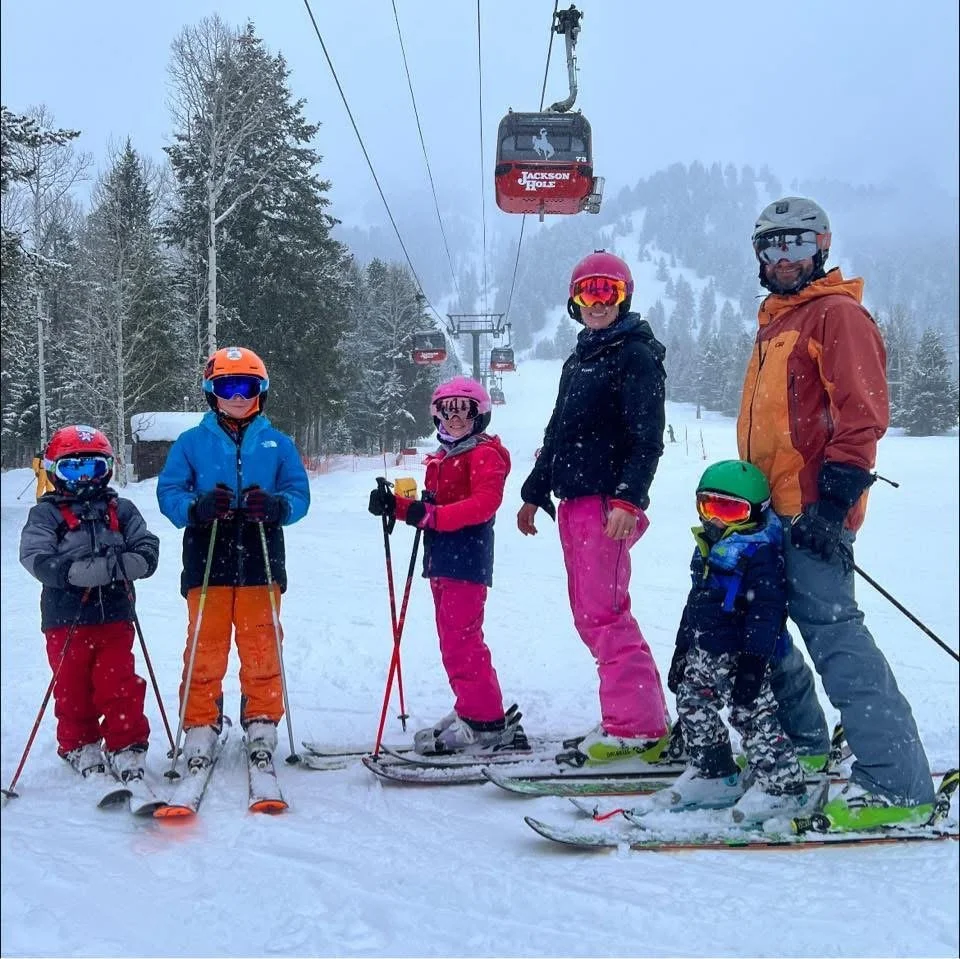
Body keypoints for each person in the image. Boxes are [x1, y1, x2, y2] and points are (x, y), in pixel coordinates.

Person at [738, 196, 935, 828]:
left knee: (835, 637)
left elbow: (862, 415)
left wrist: (833, 506)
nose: (783, 257)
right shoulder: (775, 322)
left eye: (796, 244)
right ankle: (804, 747)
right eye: (772, 246)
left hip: (812, 513)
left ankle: (897, 782)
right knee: (765, 633)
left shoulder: (836, 316)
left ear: (821, 246)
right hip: (769, 514)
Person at [517, 250, 673, 766]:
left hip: (608, 503)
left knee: (605, 615)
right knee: (592, 614)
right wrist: (534, 492)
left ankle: (639, 729)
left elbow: (646, 435)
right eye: (588, 292)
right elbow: (558, 431)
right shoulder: (581, 356)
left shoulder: (635, 354)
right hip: (576, 503)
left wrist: (630, 497)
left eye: (608, 291)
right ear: (574, 301)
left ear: (624, 296)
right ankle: (634, 715)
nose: (598, 301)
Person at [157, 346, 310, 769]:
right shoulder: (191, 442)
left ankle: (262, 717)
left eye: (246, 386)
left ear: (260, 391)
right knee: (205, 645)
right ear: (212, 392)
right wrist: (198, 507)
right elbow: (169, 492)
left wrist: (278, 507)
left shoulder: (277, 443)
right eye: (227, 387)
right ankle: (200, 722)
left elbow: (299, 494)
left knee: (262, 643)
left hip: (261, 557)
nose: (238, 396)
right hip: (209, 557)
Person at [367, 376, 520, 755]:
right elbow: (430, 509)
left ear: (479, 415)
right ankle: (471, 709)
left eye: (464, 410)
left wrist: (428, 516)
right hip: (442, 560)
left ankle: (486, 721)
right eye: (447, 410)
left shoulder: (484, 454)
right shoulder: (445, 455)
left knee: (463, 641)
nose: (455, 418)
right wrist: (397, 507)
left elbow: (483, 504)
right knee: (453, 641)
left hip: (465, 559)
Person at [658, 460, 812, 823]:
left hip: (743, 656)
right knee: (691, 700)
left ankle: (783, 787)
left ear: (754, 512)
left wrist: (753, 665)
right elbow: (695, 601)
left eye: (729, 510)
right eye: (708, 507)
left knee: (752, 716)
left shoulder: (759, 554)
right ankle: (714, 773)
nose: (716, 519)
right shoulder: (709, 547)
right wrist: (683, 650)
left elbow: (766, 614)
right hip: (704, 649)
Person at [19, 425, 159, 783]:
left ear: (107, 470)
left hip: (115, 614)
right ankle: (78, 743)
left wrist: (130, 563)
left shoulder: (120, 509)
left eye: (93, 469)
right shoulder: (46, 514)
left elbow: (146, 545)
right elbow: (34, 555)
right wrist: (69, 572)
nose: (84, 479)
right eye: (72, 469)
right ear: (53, 471)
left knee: (119, 683)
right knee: (72, 685)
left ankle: (126, 743)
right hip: (65, 619)